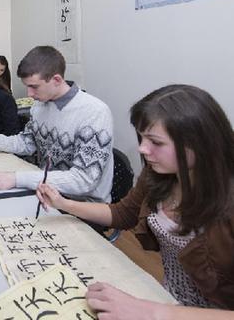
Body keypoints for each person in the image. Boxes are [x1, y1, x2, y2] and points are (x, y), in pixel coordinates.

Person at [37, 84, 234, 318]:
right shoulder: (159, 176)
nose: (142, 149)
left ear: (200, 143)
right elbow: (123, 214)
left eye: (156, 142)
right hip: (169, 300)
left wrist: (154, 313)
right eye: (141, 138)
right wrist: (63, 204)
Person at [0, 46, 113, 202]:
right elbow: (25, 143)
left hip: (81, 205)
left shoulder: (94, 112)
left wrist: (17, 179)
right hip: (43, 192)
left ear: (56, 80)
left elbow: (83, 180)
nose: (29, 94)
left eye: (34, 86)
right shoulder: (40, 106)